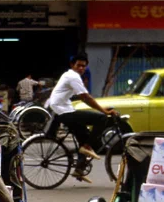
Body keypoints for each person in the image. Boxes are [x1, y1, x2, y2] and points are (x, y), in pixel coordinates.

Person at [46, 53, 119, 183]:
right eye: (78, 65)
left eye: (83, 66)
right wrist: (104, 111)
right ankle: (87, 147)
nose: (81, 68)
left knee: (84, 136)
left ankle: (79, 169)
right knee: (101, 119)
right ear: (72, 65)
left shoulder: (68, 75)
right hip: (64, 111)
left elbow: (81, 96)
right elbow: (86, 97)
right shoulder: (73, 76)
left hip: (63, 110)